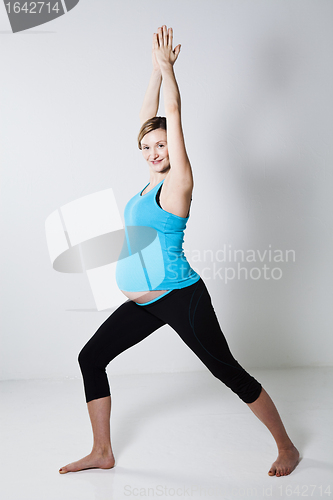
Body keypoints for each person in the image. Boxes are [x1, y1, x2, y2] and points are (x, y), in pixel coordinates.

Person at [59, 25, 300, 477]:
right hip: (144, 304)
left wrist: (170, 74)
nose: (153, 151)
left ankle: (286, 447)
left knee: (227, 371)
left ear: (175, 148)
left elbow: (170, 112)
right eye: (147, 146)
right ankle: (102, 452)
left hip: (179, 296)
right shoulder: (148, 181)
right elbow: (148, 118)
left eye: (162, 144)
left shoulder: (177, 184)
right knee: (90, 357)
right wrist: (153, 71)